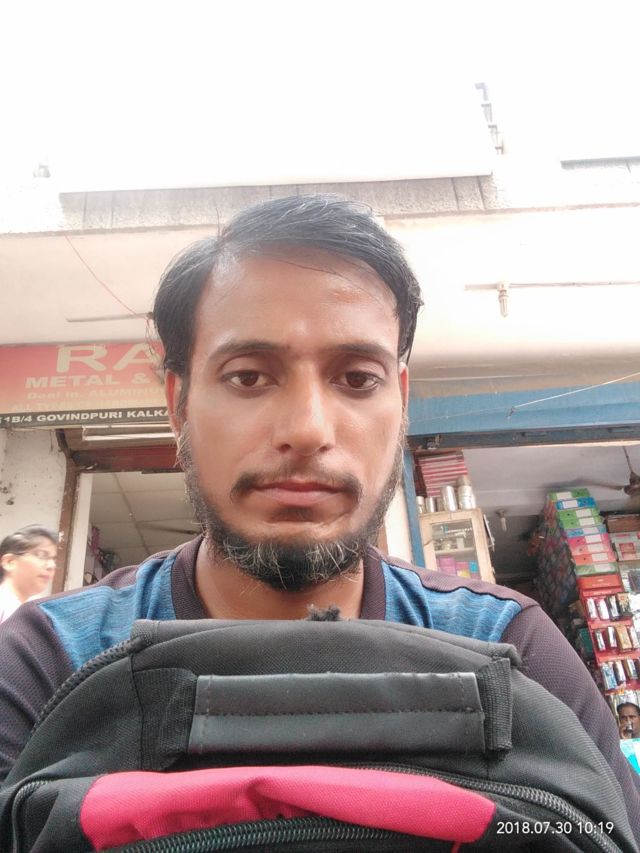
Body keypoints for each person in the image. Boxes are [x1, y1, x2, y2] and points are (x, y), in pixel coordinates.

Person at [0, 195, 639, 839]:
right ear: (178, 402)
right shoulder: (47, 661)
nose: (308, 430)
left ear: (401, 400)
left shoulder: (509, 647)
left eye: (357, 378)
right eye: (248, 377)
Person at [0, 525, 57, 625]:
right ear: (9, 562)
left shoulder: (33, 611)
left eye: (53, 559)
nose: (52, 565)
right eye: (41, 555)